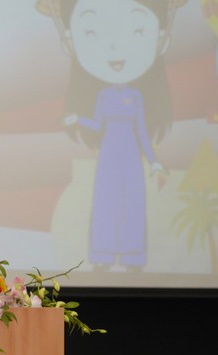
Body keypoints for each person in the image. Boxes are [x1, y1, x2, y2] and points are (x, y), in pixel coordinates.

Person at [40, 0, 182, 271]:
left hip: (130, 155)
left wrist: (153, 160)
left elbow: (141, 130)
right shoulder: (104, 95)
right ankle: (103, 256)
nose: (116, 48)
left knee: (132, 203)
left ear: (160, 40)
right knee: (106, 204)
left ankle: (132, 257)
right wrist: (76, 119)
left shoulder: (135, 96)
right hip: (108, 154)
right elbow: (96, 124)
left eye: (137, 31)